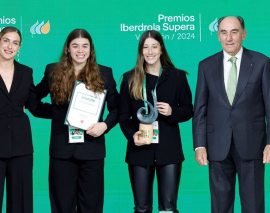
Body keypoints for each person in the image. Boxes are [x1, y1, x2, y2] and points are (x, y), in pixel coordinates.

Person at [35, 29, 119, 213]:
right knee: (61, 207)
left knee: (91, 207)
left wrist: (104, 125)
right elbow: (33, 99)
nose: (80, 50)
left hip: (92, 148)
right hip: (61, 150)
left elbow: (117, 108)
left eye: (85, 46)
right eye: (75, 46)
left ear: (91, 49)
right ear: (68, 49)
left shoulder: (104, 73)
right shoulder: (53, 71)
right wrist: (59, 115)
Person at [192, 16, 270, 213]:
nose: (229, 38)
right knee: (220, 207)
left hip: (253, 145)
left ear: (243, 34)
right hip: (217, 147)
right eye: (223, 32)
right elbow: (200, 109)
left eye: (234, 32)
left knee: (253, 206)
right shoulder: (206, 65)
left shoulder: (262, 63)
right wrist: (199, 145)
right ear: (218, 36)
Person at [119, 30, 193, 213]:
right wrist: (132, 135)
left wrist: (172, 111)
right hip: (139, 150)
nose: (150, 52)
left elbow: (188, 110)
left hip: (169, 151)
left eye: (154, 46)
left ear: (161, 49)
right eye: (145, 47)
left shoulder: (177, 77)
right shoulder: (129, 79)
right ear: (140, 51)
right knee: (142, 208)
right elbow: (122, 115)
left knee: (168, 208)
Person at [0, 26, 51, 213]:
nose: (9, 46)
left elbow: (35, 107)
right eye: (6, 40)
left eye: (15, 43)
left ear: (19, 47)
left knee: (21, 204)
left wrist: (66, 111)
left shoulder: (25, 72)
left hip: (21, 148)